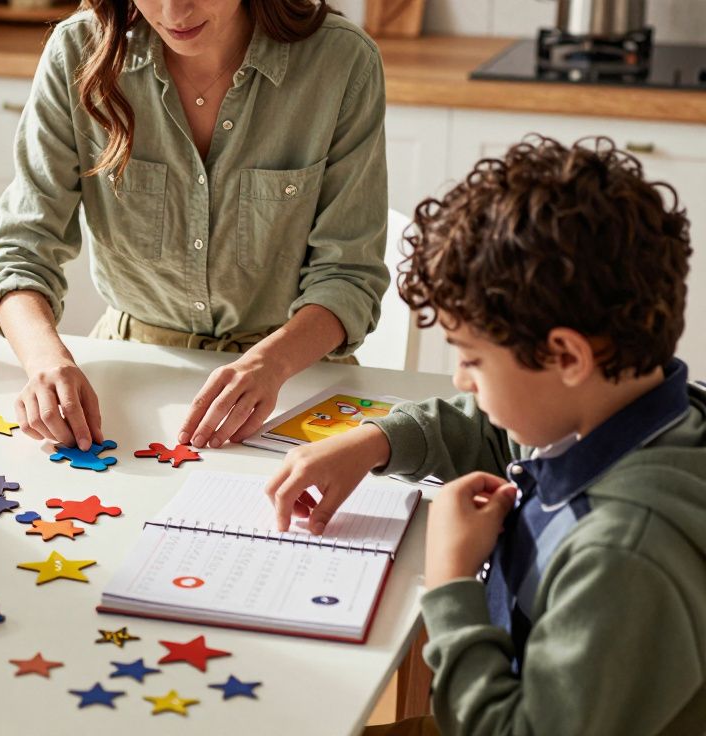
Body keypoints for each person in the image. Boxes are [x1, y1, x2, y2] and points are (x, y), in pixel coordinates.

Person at [265, 137, 706, 734]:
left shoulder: (620, 559)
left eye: (473, 360)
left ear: (566, 356)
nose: (459, 379)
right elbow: (507, 437)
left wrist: (450, 584)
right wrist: (376, 441)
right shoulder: (630, 413)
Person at [0, 0, 388, 452]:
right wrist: (45, 362)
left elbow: (348, 275)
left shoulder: (340, 60)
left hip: (296, 377)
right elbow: (21, 251)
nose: (174, 11)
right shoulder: (77, 51)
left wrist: (269, 364)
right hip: (134, 370)